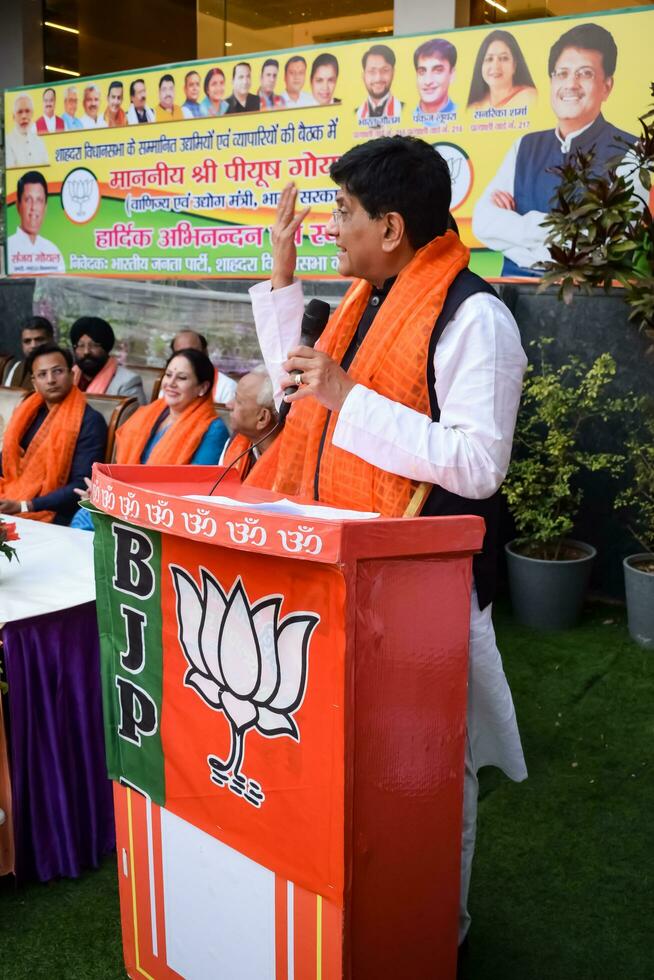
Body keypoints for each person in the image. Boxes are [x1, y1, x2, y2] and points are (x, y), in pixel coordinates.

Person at [248, 137, 528, 945]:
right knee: (350, 774)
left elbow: (478, 464)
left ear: (393, 227)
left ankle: (439, 928)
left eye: (344, 213)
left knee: (431, 779)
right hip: (336, 574)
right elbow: (309, 407)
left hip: (421, 598)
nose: (334, 227)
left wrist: (345, 398)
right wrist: (281, 273)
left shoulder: (475, 316)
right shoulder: (364, 299)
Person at [473, 22, 638, 277]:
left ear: (607, 86)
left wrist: (517, 234)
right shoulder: (525, 147)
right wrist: (559, 234)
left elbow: (605, 246)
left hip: (590, 304)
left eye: (585, 74)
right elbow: (483, 222)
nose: (570, 84)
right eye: (561, 73)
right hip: (515, 296)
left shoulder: (631, 152)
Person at [70, 349, 229, 530]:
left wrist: (127, 501)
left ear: (203, 387)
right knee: (82, 518)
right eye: (168, 375)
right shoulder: (148, 414)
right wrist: (104, 492)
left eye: (182, 378)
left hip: (164, 516)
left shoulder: (214, 429)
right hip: (124, 503)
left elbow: (195, 491)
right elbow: (121, 470)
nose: (171, 383)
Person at [0, 343, 107, 524]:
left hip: (57, 512)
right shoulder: (29, 412)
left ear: (72, 375)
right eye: (42, 374)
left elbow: (82, 484)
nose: (50, 380)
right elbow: (7, 460)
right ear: (34, 382)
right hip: (12, 497)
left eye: (57, 371)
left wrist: (25, 505)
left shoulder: (90, 421)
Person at [219, 366, 280, 482]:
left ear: (262, 418)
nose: (229, 405)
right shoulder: (233, 443)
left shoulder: (293, 463)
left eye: (238, 401)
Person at [70, 316, 146, 404]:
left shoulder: (128, 383)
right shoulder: (68, 377)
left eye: (94, 345)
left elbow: (137, 417)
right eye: (81, 345)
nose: (86, 352)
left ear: (106, 347)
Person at [7, 171, 65, 275]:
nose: (34, 207)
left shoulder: (53, 252)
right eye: (28, 200)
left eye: (39, 200)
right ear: (18, 205)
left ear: (45, 207)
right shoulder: (8, 250)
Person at [467, 30, 537, 111]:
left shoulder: (529, 98)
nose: (495, 66)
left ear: (514, 65)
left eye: (504, 58)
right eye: (489, 59)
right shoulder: (475, 107)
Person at [169, 330, 237, 404]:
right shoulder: (169, 385)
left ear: (205, 353)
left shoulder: (227, 387)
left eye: (191, 353)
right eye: (180, 354)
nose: (186, 359)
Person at [413, 38, 458, 125]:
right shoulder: (405, 117)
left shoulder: (463, 116)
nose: (428, 81)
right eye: (422, 71)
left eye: (438, 70)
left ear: (452, 74)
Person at [356, 45, 403, 126]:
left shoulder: (402, 110)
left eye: (385, 70)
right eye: (372, 71)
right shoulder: (357, 114)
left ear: (393, 73)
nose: (378, 78)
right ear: (363, 76)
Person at [4, 316, 55, 391]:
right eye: (27, 341)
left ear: (51, 340)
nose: (33, 345)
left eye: (39, 339)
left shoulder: (62, 367)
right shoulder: (17, 367)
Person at [5, 95, 48, 168]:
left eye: (27, 111)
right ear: (13, 116)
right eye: (20, 112)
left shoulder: (39, 142)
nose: (24, 116)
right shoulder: (8, 141)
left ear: (32, 114)